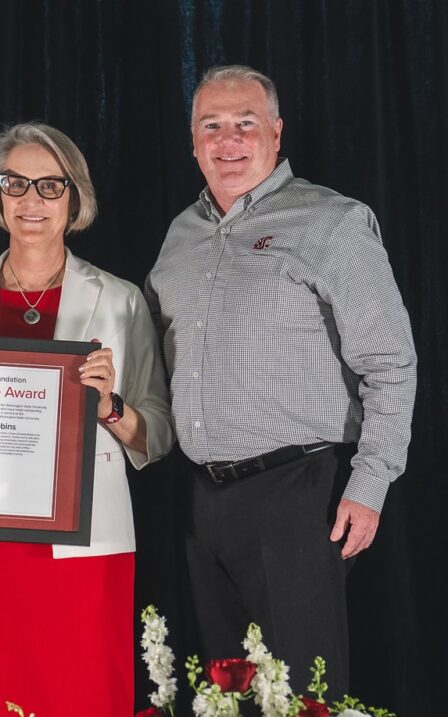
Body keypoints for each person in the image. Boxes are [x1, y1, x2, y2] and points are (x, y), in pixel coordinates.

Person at [144, 65, 417, 696]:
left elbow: (390, 364)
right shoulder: (180, 235)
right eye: (212, 125)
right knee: (226, 694)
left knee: (302, 695)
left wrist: (370, 484)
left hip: (300, 494)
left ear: (276, 131)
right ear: (192, 141)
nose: (228, 140)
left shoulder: (333, 221)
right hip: (202, 499)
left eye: (245, 123)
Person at [0, 123, 173, 715]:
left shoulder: (120, 301)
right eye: (15, 183)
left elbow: (158, 434)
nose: (31, 200)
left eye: (50, 185)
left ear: (74, 196)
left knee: (78, 694)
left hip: (81, 547)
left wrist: (110, 406)